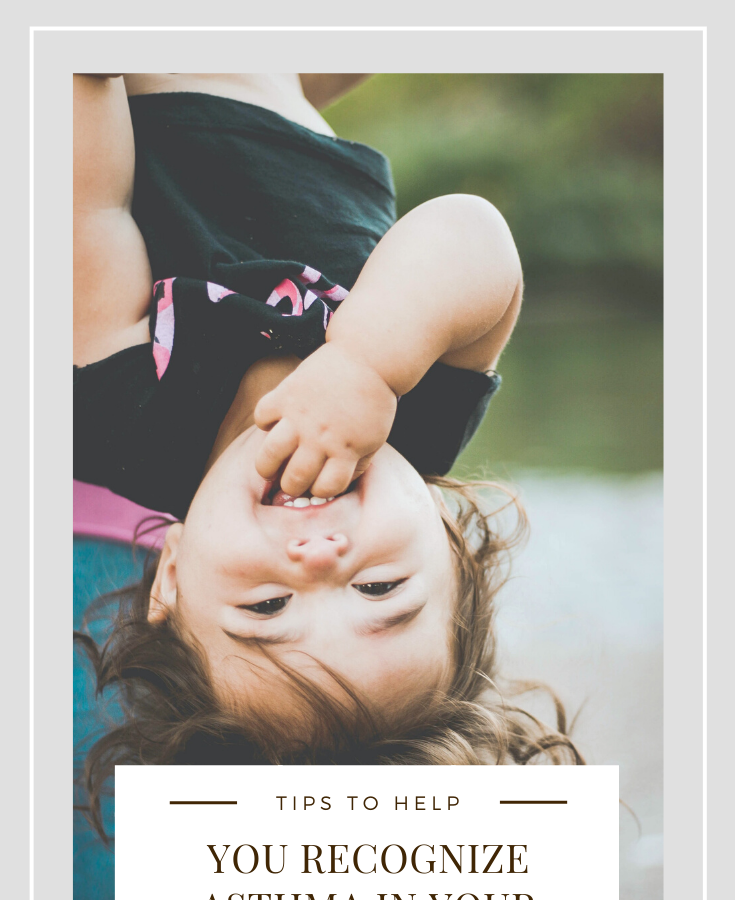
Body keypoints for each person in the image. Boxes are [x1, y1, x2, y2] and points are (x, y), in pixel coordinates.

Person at [74, 74, 581, 840]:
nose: (318, 560)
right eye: (380, 587)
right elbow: (470, 231)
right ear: (447, 541)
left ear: (174, 576)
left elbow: (87, 213)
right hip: (270, 73)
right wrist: (367, 364)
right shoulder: (414, 415)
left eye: (267, 608)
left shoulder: (121, 424)